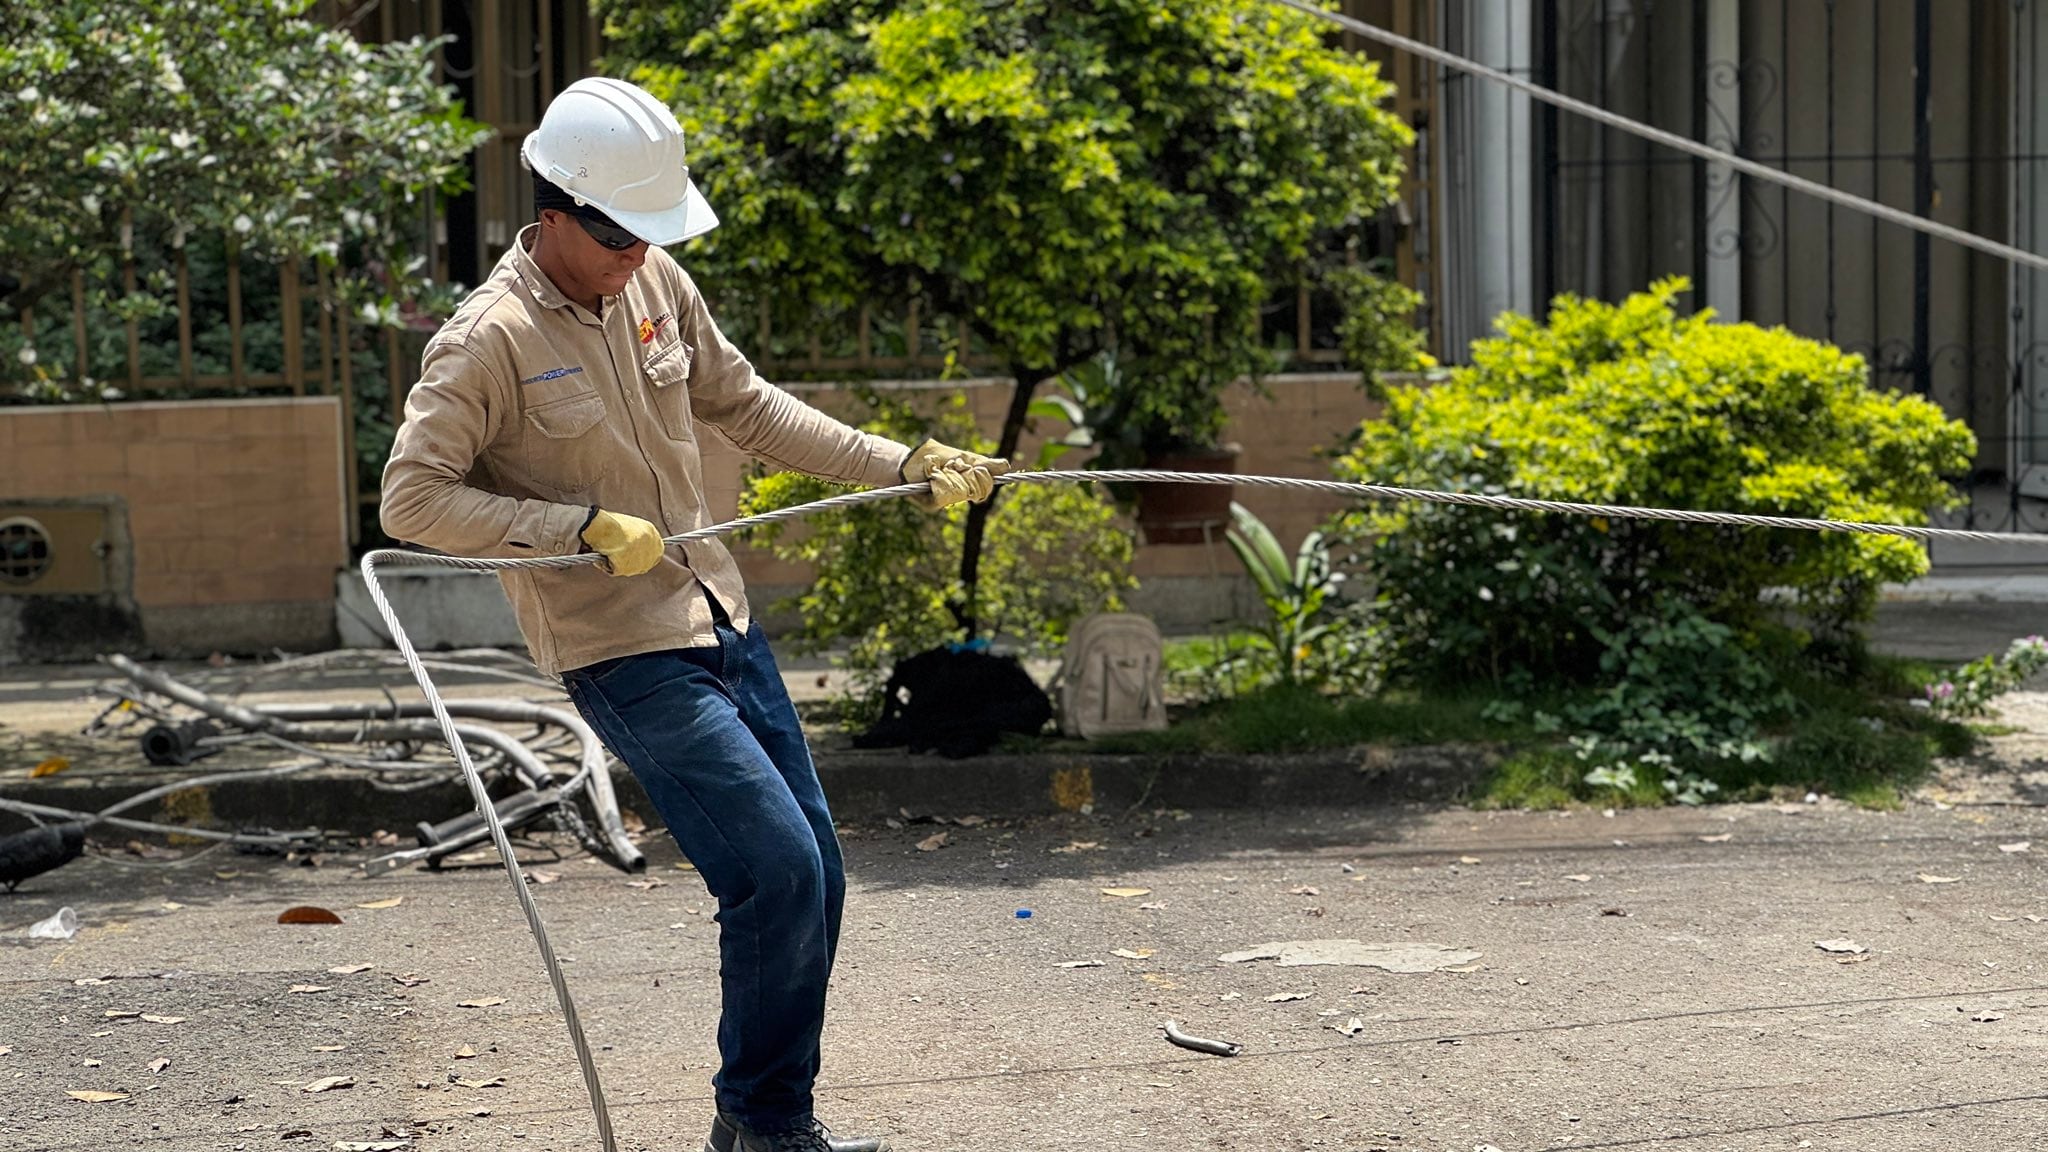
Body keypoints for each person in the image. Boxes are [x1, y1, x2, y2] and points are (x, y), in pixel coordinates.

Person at [380, 76, 1006, 1152]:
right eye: (619, 231)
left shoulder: (654, 281)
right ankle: (766, 1126)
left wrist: (901, 462)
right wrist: (572, 528)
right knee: (773, 869)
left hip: (718, 615)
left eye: (650, 231)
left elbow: (745, 403)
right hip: (621, 649)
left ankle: (760, 1121)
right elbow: (411, 498)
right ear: (554, 216)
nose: (636, 251)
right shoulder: (486, 340)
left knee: (816, 869)